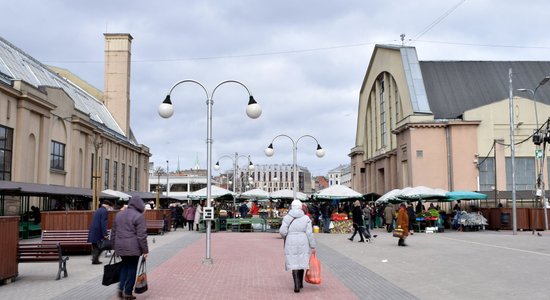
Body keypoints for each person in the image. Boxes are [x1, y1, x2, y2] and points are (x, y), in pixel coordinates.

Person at [111, 196, 149, 300]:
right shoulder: (138, 216)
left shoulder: (119, 214)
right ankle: (128, 292)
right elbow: (142, 236)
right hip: (133, 248)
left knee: (124, 267)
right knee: (132, 269)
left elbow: (113, 232)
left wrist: (114, 246)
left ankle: (120, 288)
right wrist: (145, 250)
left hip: (120, 247)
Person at [279, 199, 316, 293]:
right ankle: (300, 283)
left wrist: (287, 235)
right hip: (303, 239)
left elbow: (282, 231)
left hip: (291, 240)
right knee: (301, 260)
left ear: (291, 206)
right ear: (301, 207)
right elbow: (310, 233)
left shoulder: (287, 217)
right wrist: (313, 246)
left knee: (293, 261)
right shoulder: (306, 218)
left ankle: (296, 286)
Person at [87, 200, 112, 265]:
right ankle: (95, 259)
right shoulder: (104, 211)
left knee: (95, 245)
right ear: (107, 205)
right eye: (109, 207)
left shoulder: (98, 210)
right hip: (98, 231)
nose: (108, 208)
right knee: (100, 246)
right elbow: (103, 223)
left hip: (93, 230)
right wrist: (105, 234)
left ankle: (94, 259)